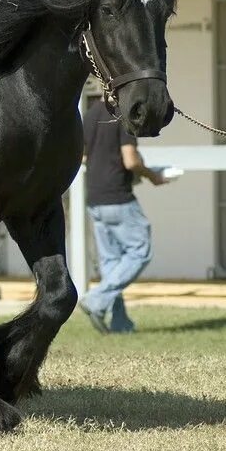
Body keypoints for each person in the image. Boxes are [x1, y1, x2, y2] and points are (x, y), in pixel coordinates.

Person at [79, 96, 167, 334]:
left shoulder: (90, 115)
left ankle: (120, 323)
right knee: (141, 251)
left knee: (112, 262)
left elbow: (84, 156)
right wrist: (152, 175)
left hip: (95, 199)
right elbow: (130, 160)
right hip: (118, 197)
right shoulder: (122, 116)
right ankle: (95, 299)